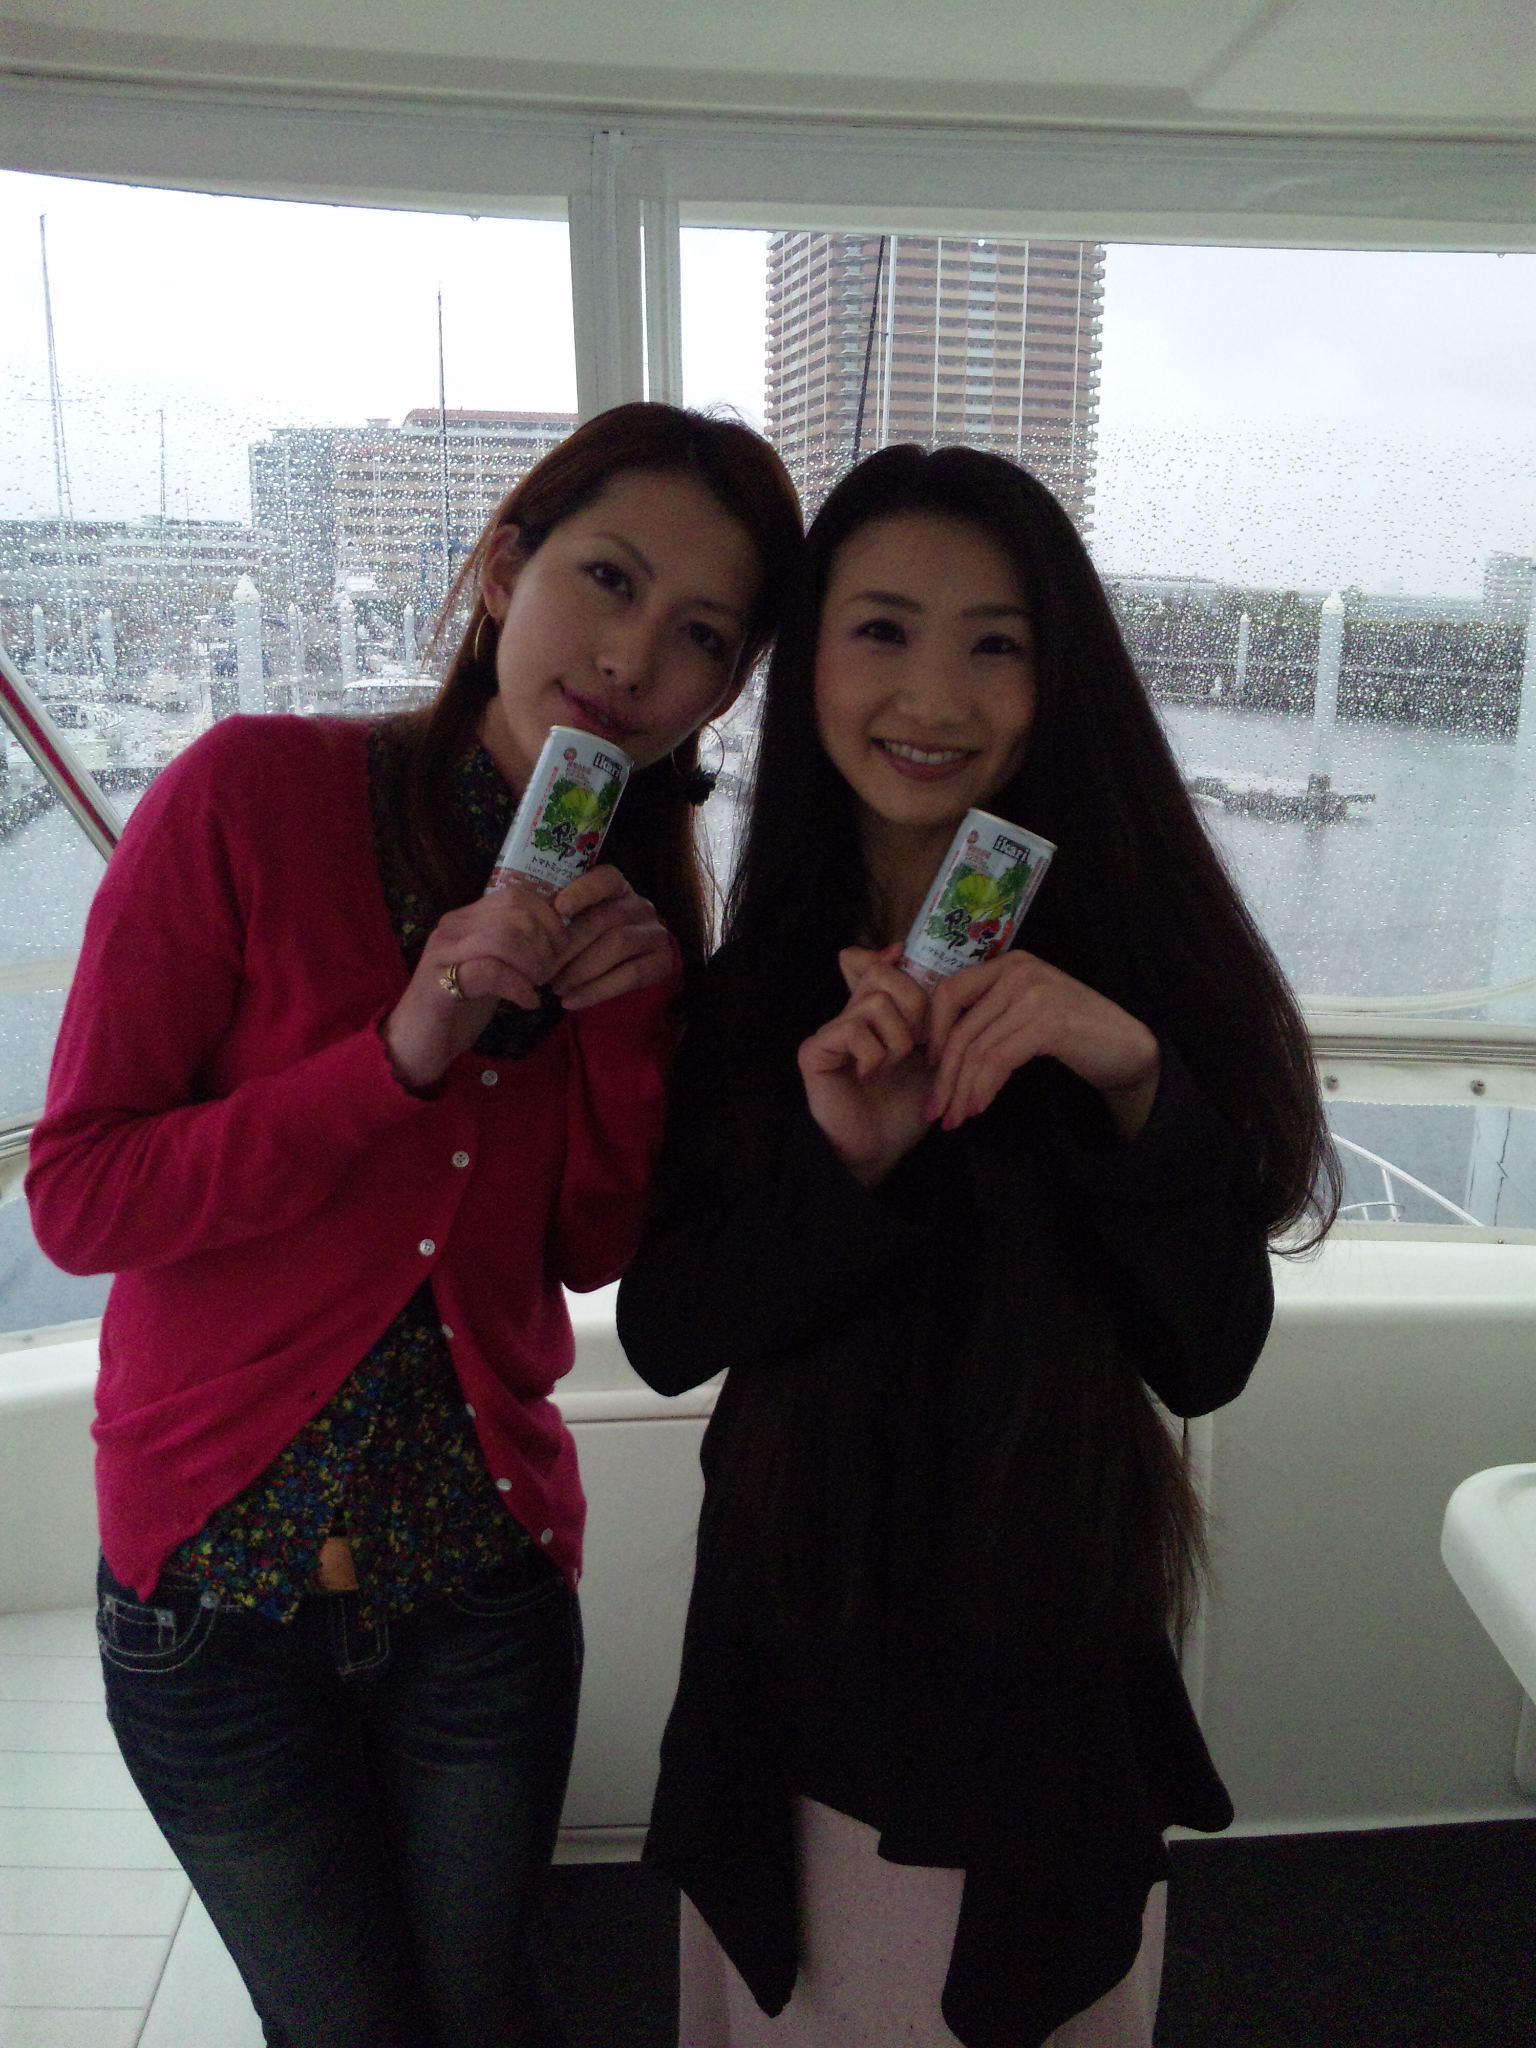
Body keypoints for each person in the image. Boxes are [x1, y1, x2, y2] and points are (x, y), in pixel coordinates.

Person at [26, 401, 802, 2048]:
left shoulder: (639, 905)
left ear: (724, 691)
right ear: (505, 567)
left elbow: (586, 1252)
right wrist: (394, 1056)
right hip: (211, 1603)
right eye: (606, 578)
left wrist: (626, 1036)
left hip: (480, 1593)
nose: (631, 658)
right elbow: (82, 1194)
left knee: (487, 2006)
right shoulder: (253, 795)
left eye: (700, 636)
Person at [616, 443, 1339, 2048]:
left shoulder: (1139, 961)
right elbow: (666, 1331)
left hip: (1042, 1667)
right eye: (880, 629)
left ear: (1054, 674)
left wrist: (1131, 1076)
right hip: (795, 1654)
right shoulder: (758, 978)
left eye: (995, 643)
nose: (933, 696)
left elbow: (1207, 1351)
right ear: (810, 661)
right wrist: (845, 1164)